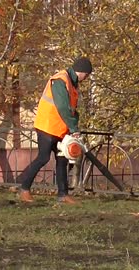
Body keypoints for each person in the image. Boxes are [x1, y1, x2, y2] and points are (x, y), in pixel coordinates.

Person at [18, 57, 93, 204]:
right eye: (87, 75)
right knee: (43, 157)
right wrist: (73, 128)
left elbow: (71, 110)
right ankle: (24, 189)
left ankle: (63, 195)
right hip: (47, 126)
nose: (87, 78)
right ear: (82, 72)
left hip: (60, 128)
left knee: (62, 160)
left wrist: (73, 126)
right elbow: (63, 107)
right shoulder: (61, 80)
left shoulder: (72, 83)